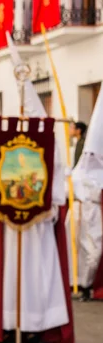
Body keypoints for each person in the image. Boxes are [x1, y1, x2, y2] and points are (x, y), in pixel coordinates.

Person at [0, 72, 74, 343]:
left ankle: (36, 330)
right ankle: (8, 328)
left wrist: (48, 208)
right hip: (13, 229)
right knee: (11, 278)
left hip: (39, 228)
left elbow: (57, 186)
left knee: (40, 279)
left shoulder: (54, 153)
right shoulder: (13, 143)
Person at [68, 95, 103, 301]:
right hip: (82, 215)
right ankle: (82, 285)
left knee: (95, 252)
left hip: (95, 215)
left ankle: (87, 285)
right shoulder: (80, 172)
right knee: (84, 251)